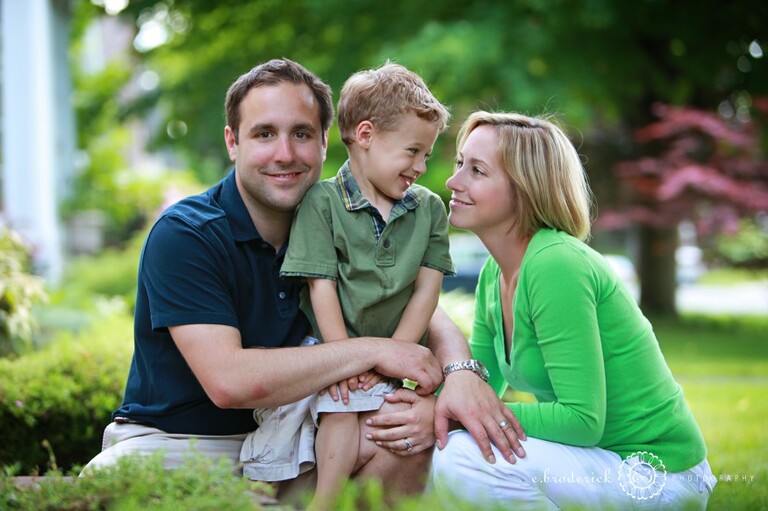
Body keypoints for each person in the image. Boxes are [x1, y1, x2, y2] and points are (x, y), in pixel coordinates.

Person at [78, 58, 472, 505]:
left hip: (296, 439)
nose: (285, 153)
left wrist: (459, 375)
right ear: (233, 142)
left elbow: (413, 300)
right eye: (264, 134)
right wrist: (376, 351)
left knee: (406, 441)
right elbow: (229, 382)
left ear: (325, 142)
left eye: (301, 134)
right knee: (113, 485)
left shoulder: (341, 221)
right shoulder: (187, 235)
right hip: (182, 443)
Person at [429, 111, 716, 510]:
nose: (452, 181)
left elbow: (582, 420)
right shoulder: (496, 272)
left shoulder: (555, 264)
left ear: (525, 189)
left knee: (463, 457)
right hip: (598, 463)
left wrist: (467, 414)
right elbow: (479, 385)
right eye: (460, 164)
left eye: (477, 170)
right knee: (433, 447)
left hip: (657, 474)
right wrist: (426, 410)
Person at [272, 62, 454, 509]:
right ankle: (325, 501)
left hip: (397, 351)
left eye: (427, 155)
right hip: (333, 346)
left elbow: (426, 293)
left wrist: (396, 355)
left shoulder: (429, 210)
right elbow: (321, 287)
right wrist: (347, 360)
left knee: (403, 424)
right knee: (340, 406)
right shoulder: (323, 202)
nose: (421, 166)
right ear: (367, 135)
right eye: (412, 151)